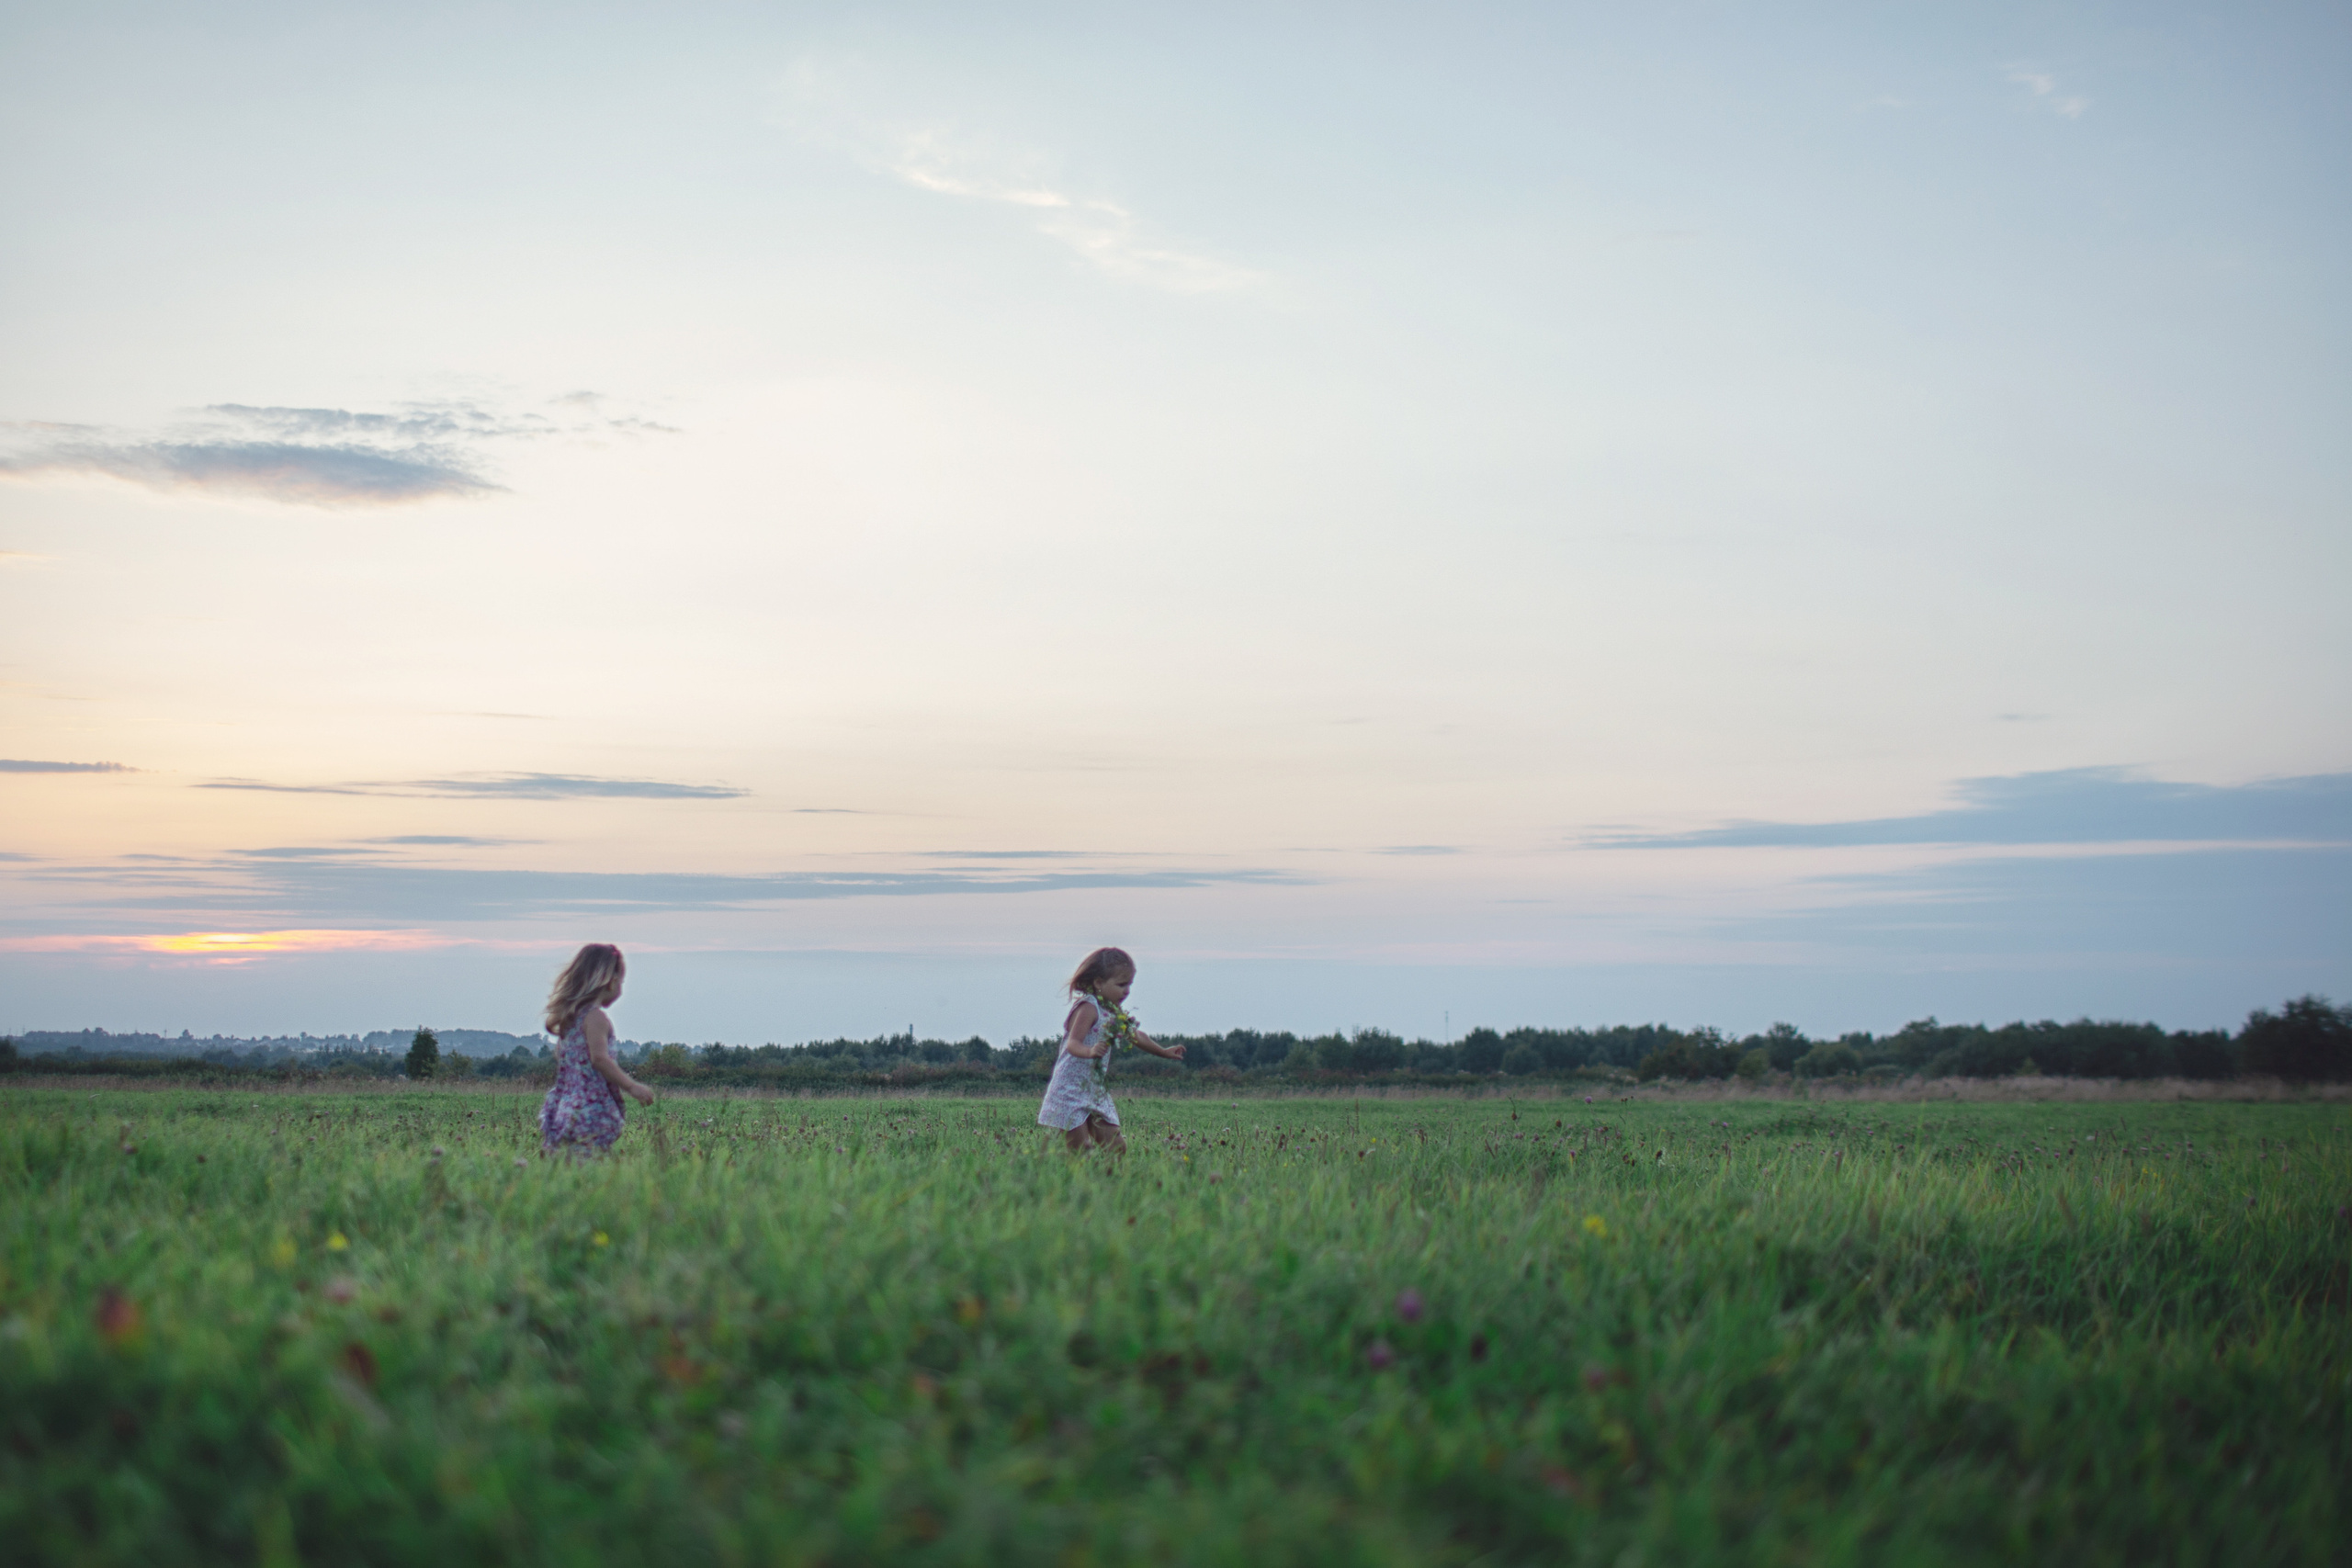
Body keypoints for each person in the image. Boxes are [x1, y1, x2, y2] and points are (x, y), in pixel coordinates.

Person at [1036, 946, 1185, 1152]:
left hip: (1095, 1090)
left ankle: (1109, 1183)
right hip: (1069, 1089)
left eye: (1130, 985)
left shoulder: (1114, 1011)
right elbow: (1073, 1044)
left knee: (1116, 1148)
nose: (1127, 991)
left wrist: (1163, 1051)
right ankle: (1075, 1183)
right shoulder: (1088, 1008)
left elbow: (1135, 1035)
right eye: (1121, 985)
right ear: (1098, 983)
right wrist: (1090, 1051)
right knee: (1080, 1151)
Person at [538, 942, 655, 1154]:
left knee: (565, 1160)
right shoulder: (595, 1017)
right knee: (590, 1161)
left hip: (564, 1105)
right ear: (611, 982)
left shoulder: (570, 1019)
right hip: (589, 1108)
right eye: (622, 981)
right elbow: (599, 1058)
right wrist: (631, 1086)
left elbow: (561, 1055)